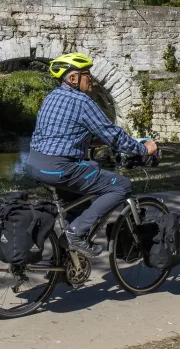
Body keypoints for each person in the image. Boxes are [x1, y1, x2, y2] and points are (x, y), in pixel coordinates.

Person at [27, 53, 158, 257]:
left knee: (76, 203)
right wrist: (143, 149)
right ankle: (74, 234)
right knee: (121, 185)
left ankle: (65, 264)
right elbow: (112, 135)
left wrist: (93, 141)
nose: (93, 81)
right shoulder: (82, 101)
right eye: (87, 74)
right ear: (73, 78)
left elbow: (61, 134)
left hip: (35, 164)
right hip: (60, 168)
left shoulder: (51, 97)